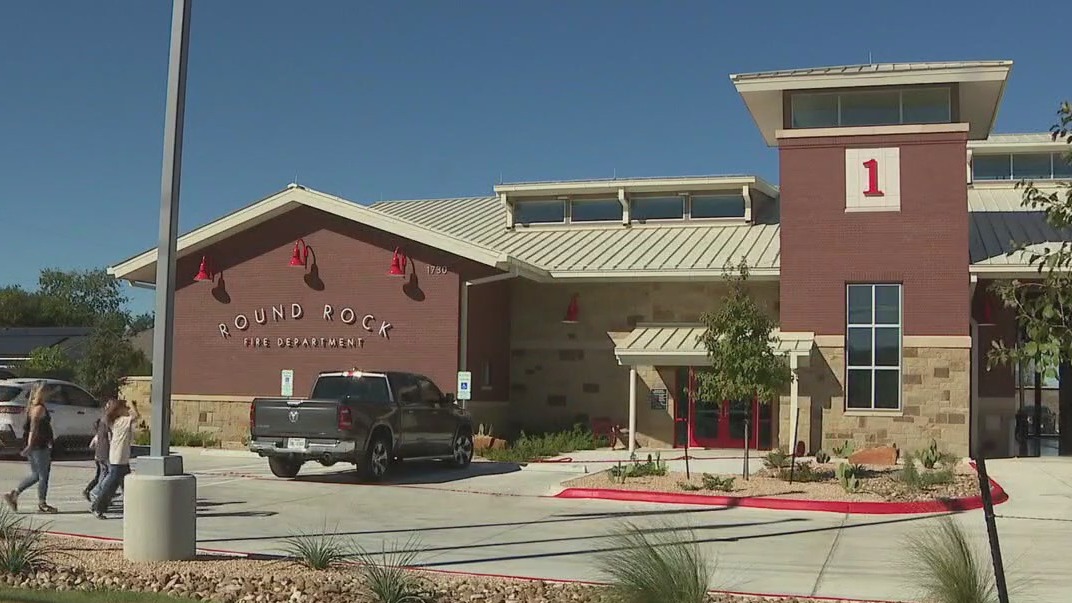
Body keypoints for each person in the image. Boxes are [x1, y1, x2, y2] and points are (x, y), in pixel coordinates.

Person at [3, 382, 58, 513]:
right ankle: (42, 503)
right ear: (41, 393)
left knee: (36, 475)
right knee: (43, 476)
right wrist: (30, 445)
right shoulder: (39, 408)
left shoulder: (32, 407)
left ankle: (14, 494)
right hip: (39, 446)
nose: (48, 394)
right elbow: (34, 428)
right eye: (46, 391)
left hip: (37, 445)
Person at [90, 399, 135, 519]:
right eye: (125, 407)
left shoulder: (115, 421)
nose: (127, 409)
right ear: (119, 410)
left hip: (120, 458)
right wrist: (132, 404)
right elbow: (136, 416)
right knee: (111, 486)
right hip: (119, 459)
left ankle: (132, 507)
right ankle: (97, 506)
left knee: (126, 485)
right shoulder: (121, 421)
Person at [83, 400, 117, 502]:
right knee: (112, 473)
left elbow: (96, 438)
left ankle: (101, 493)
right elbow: (111, 437)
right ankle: (97, 491)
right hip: (106, 452)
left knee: (103, 473)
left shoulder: (103, 420)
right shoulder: (108, 420)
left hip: (100, 452)